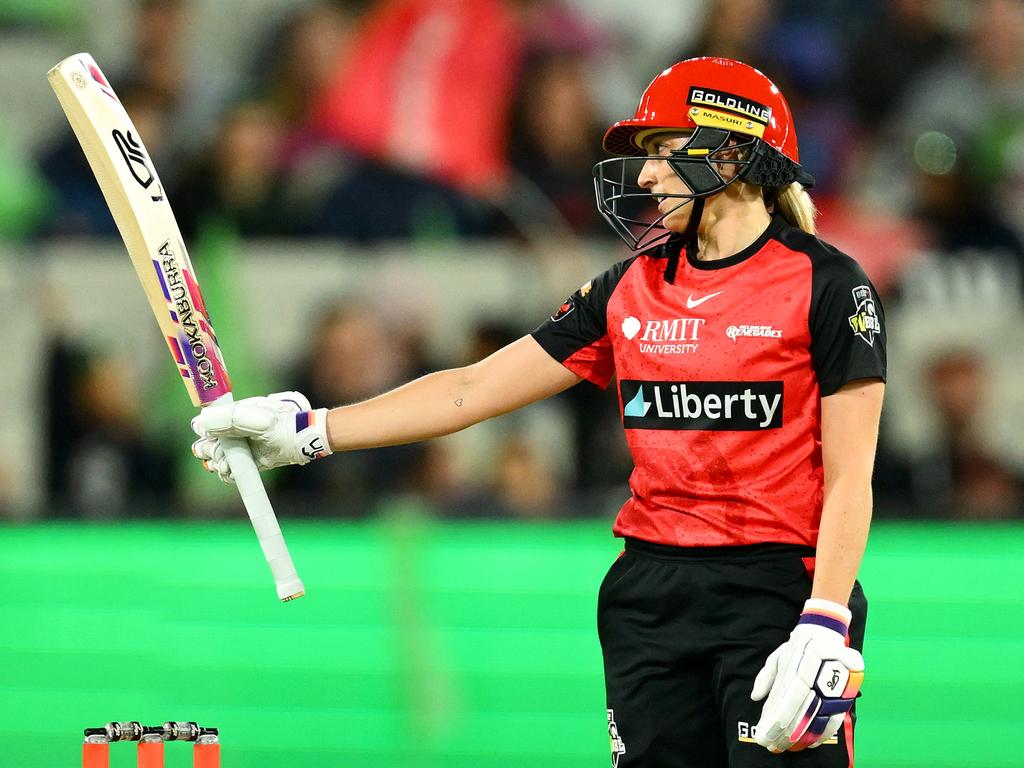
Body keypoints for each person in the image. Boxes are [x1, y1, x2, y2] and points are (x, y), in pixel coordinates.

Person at [190, 57, 886, 766]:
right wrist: (309, 431)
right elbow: (472, 389)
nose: (645, 177)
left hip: (778, 596)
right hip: (649, 599)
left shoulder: (828, 286)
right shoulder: (627, 289)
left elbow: (849, 480)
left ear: (733, 151)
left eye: (663, 153)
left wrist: (824, 623)